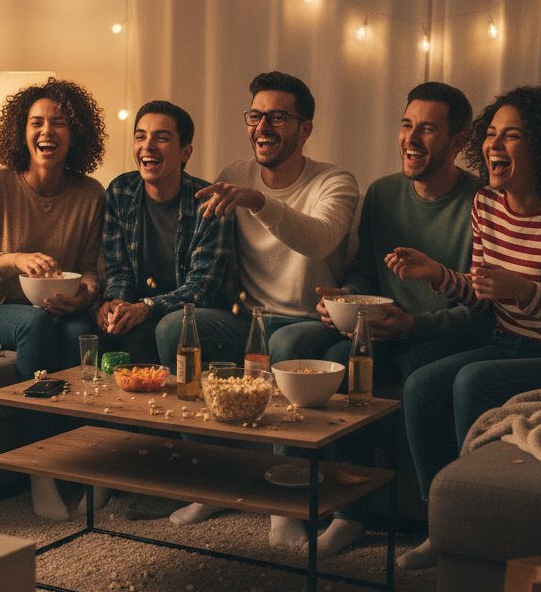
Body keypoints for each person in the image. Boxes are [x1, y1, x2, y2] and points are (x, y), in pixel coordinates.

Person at [386, 86, 541, 568]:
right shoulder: (487, 205)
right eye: (491, 135)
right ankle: (440, 522)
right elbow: (483, 290)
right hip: (505, 342)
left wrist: (524, 291)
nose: (493, 146)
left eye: (511, 136)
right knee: (422, 384)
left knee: (472, 381)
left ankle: (478, 527)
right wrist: (435, 274)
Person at [156, 71, 359, 542]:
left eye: (278, 117)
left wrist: (259, 202)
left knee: (288, 344)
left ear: (304, 129)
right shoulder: (233, 174)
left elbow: (320, 239)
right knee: (175, 329)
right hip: (245, 319)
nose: (263, 127)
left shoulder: (335, 181)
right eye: (255, 115)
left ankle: (284, 504)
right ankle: (211, 481)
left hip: (310, 322)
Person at [312, 81, 491, 556]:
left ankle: (441, 520)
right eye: (407, 125)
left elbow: (482, 308)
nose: (411, 139)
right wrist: (343, 300)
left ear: (458, 141)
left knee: (421, 375)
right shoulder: (384, 193)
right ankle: (350, 512)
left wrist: (416, 325)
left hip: (443, 336)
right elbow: (363, 272)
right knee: (333, 360)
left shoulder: (484, 203)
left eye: (427, 129)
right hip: (382, 331)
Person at [0, 76, 106, 520]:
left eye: (59, 123)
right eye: (36, 122)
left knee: (82, 332)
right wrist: (13, 260)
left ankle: (87, 460)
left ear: (74, 134)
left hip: (62, 307)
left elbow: (94, 270)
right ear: (21, 130)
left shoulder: (90, 193)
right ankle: (41, 470)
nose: (47, 132)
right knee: (35, 324)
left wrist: (82, 298)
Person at [98, 100, 235, 364]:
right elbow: (118, 270)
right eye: (140, 137)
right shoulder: (120, 191)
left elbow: (202, 289)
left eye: (161, 138)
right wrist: (115, 304)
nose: (147, 146)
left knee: (148, 333)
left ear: (185, 152)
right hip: (140, 310)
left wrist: (147, 307)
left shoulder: (208, 201)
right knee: (96, 329)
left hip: (198, 315)